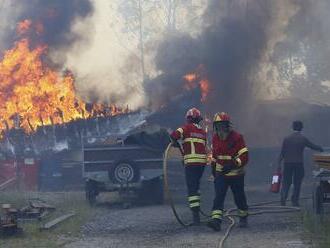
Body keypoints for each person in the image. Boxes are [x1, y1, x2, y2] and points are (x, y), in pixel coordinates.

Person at [207, 112, 249, 231]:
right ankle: (216, 221)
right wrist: (213, 170)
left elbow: (245, 156)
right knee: (219, 197)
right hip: (221, 175)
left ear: (227, 125)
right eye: (218, 125)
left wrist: (232, 164)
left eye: (223, 125)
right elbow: (215, 156)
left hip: (236, 174)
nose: (220, 128)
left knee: (239, 197)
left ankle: (243, 217)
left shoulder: (237, 137)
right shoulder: (215, 138)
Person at [170, 107, 207, 225]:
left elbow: (174, 134)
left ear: (189, 119)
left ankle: (196, 217)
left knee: (192, 190)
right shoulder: (203, 132)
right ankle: (197, 210)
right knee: (196, 186)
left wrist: (175, 142)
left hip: (191, 164)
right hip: (201, 164)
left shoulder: (185, 128)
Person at [278, 120, 323, 207]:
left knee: (286, 183)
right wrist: (321, 149)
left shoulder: (287, 139)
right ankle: (294, 201)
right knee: (297, 183)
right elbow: (313, 146)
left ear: (292, 127)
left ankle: (283, 199)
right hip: (298, 164)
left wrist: (278, 165)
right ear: (301, 128)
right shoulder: (303, 139)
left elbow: (282, 153)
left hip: (287, 164)